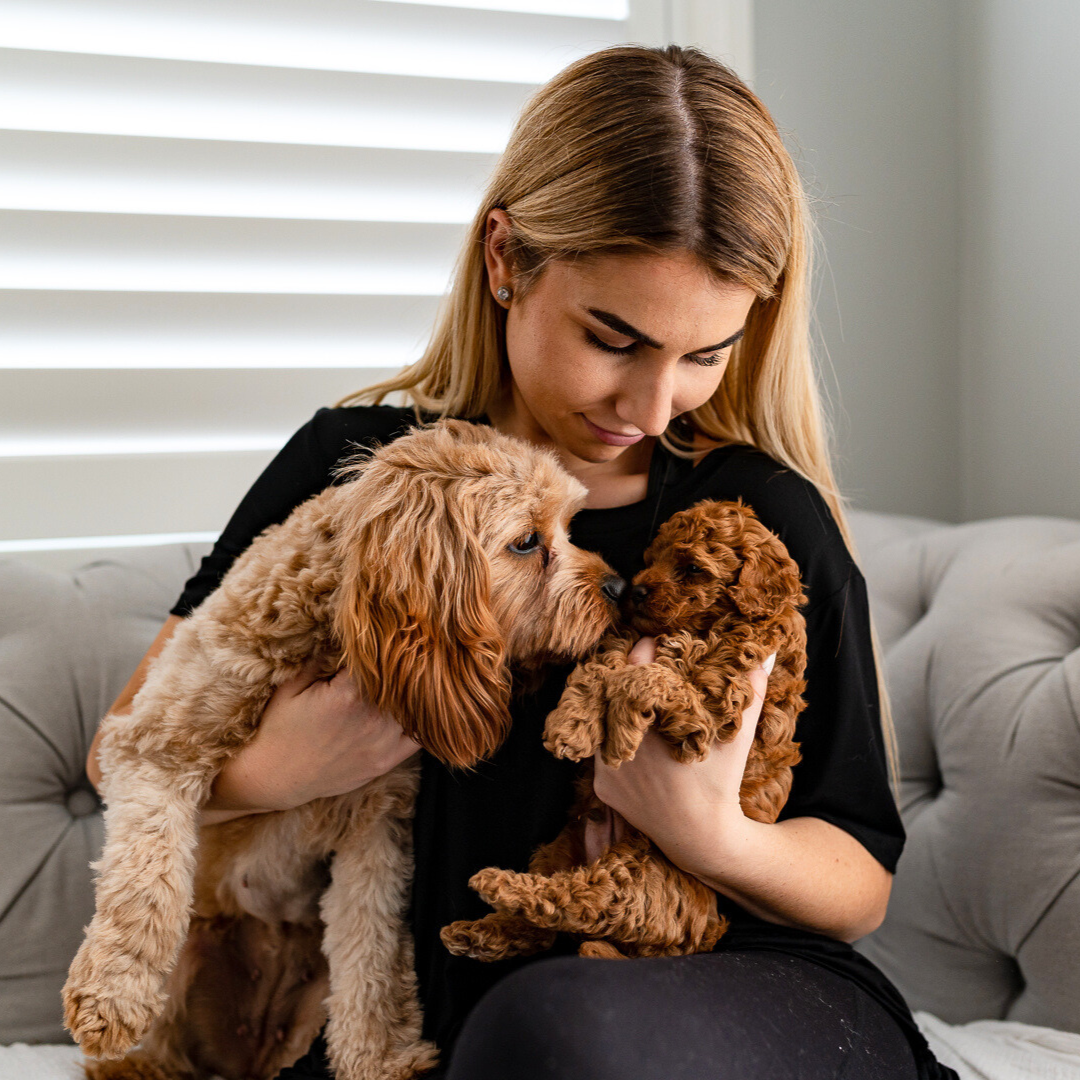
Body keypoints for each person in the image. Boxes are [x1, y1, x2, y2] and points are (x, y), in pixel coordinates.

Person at [86, 44, 958, 1080]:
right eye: (613, 337)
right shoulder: (355, 471)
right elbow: (124, 751)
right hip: (414, 1012)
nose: (648, 406)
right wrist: (283, 768)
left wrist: (710, 835)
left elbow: (857, 878)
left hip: (714, 994)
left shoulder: (760, 516)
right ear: (506, 259)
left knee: (549, 1031)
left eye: (704, 356)